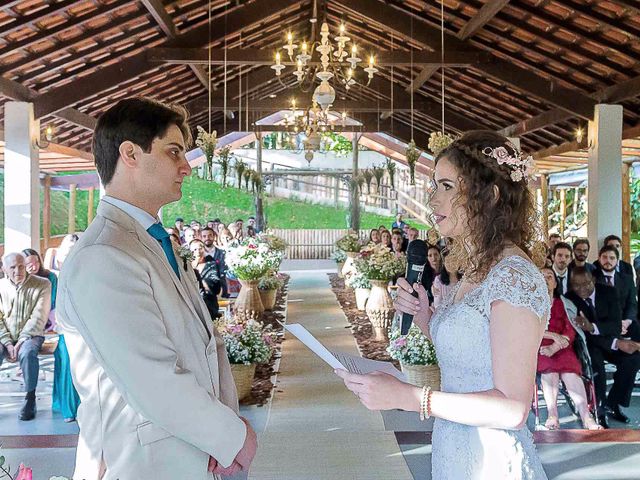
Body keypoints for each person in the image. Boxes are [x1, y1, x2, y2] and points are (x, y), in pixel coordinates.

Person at [56, 98, 256, 479]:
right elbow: (153, 379)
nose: (186, 166)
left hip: (190, 452)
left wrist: (223, 431)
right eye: (174, 151)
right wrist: (232, 437)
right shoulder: (103, 255)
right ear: (129, 154)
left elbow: (203, 344)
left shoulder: (148, 239)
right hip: (142, 463)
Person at [337, 131, 550, 479]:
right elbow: (472, 357)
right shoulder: (478, 267)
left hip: (493, 462)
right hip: (454, 449)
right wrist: (426, 317)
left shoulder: (514, 277)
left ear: (490, 196)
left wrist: (410, 397)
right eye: (434, 186)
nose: (433, 200)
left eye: (447, 186)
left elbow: (512, 409)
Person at [566, 268, 640, 428]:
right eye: (576, 285)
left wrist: (592, 327)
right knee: (596, 362)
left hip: (609, 339)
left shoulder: (609, 293)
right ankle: (599, 408)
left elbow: (614, 325)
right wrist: (608, 339)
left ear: (593, 279)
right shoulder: (570, 299)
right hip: (588, 345)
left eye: (585, 283)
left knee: (632, 359)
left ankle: (613, 403)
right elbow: (581, 335)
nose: (581, 289)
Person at [537, 267, 601, 430]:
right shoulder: (531, 305)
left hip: (563, 346)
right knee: (550, 371)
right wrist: (553, 339)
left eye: (549, 276)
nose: (545, 279)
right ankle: (552, 415)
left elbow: (571, 328)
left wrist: (557, 344)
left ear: (555, 283)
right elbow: (529, 328)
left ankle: (586, 417)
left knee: (571, 373)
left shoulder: (564, 303)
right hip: (540, 346)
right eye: (541, 276)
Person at [23, 248, 80, 422]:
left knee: (67, 351)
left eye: (35, 262)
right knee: (63, 351)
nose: (32, 266)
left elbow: (52, 304)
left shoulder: (50, 279)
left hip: (54, 323)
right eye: (28, 264)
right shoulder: (17, 283)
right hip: (35, 328)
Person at [0, 252, 51, 421]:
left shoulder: (42, 284)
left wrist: (22, 340)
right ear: (4, 269)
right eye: (12, 267)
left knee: (27, 353)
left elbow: (39, 317)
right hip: (4, 336)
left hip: (31, 335)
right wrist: (7, 342)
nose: (17, 271)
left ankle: (30, 398)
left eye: (21, 266)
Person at [594, 245, 638, 340]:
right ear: (599, 258)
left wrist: (626, 321)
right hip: (602, 324)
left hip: (624, 322)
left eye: (612, 258)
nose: (608, 261)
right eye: (604, 257)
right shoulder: (592, 279)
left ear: (617, 260)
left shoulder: (627, 280)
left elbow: (632, 304)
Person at [189, 239, 221, 320]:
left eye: (200, 248)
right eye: (195, 249)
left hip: (209, 303)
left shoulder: (211, 264)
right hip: (191, 303)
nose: (198, 252)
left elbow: (216, 284)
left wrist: (201, 282)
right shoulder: (187, 266)